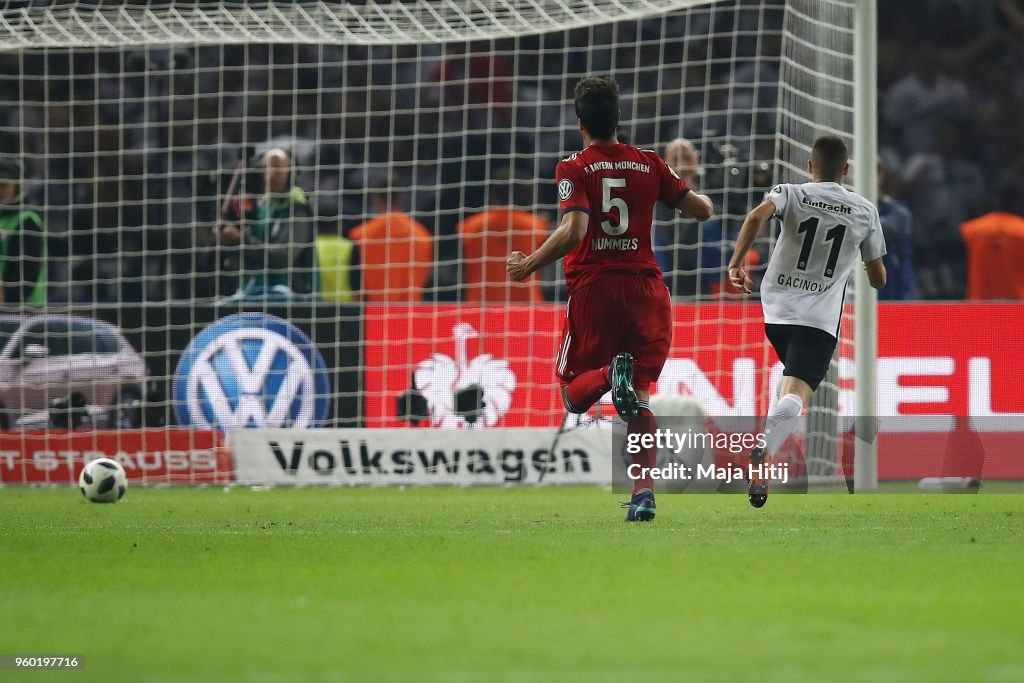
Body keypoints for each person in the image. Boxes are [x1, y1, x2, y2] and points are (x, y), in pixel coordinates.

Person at [506, 76, 713, 522]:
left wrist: (530, 264)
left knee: (573, 397)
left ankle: (605, 372)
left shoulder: (573, 168)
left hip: (595, 290)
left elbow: (575, 230)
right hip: (645, 291)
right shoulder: (650, 163)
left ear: (580, 123)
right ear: (619, 117)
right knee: (638, 397)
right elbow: (702, 210)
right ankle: (643, 494)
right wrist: (690, 189)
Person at [728, 135, 887, 508]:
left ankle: (766, 450)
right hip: (818, 320)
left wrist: (736, 263)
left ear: (810, 166)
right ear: (846, 170)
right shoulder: (864, 211)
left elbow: (755, 217)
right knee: (798, 394)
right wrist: (863, 259)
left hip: (776, 312)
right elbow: (879, 279)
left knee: (787, 387)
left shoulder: (790, 192)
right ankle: (764, 450)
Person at [216, 148, 319, 300]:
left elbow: (283, 257)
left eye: (277, 168)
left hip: (289, 298)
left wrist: (241, 241)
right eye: (266, 168)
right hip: (252, 293)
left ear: (292, 174)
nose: (271, 174)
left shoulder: (298, 211)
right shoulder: (256, 208)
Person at [458, 169, 548, 303]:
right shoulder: (537, 226)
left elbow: (461, 269)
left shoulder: (470, 226)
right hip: (527, 305)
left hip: (480, 305)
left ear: (491, 194)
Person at [0, 158, 46, 306]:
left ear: (18, 187)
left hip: (24, 310)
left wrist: (6, 299)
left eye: (3, 185)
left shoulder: (27, 221)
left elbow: (27, 273)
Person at [876, 158, 915, 300]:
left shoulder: (898, 214)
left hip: (892, 301)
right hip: (852, 302)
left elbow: (874, 231)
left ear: (880, 177)